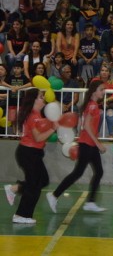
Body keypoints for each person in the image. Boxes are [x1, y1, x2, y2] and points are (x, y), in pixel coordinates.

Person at [47, 80, 107, 213]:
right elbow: (86, 126)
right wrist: (98, 143)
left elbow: (82, 125)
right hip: (88, 145)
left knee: (97, 172)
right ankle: (54, 195)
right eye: (102, 89)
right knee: (78, 173)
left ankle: (90, 202)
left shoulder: (90, 105)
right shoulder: (92, 106)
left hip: (88, 143)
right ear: (94, 91)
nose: (104, 92)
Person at [4, 88, 58, 223]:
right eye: (41, 97)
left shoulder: (38, 115)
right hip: (28, 153)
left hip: (33, 153)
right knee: (34, 184)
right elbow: (38, 137)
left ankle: (14, 188)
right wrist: (53, 128)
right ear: (33, 100)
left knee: (43, 180)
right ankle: (21, 215)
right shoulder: (33, 116)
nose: (43, 99)